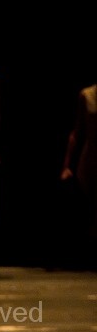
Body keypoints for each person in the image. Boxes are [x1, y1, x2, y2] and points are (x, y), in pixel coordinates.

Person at [60, 81, 97, 267]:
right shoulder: (87, 95)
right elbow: (77, 132)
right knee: (91, 209)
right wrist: (67, 165)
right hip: (91, 159)